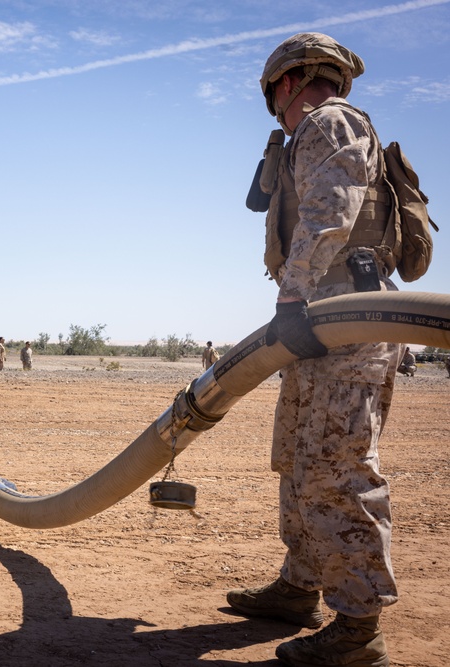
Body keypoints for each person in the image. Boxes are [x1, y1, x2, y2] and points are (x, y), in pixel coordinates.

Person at [226, 34, 405, 667]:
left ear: (289, 81)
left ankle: (359, 627)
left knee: (336, 466)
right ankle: (299, 587)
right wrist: (297, 305)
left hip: (340, 322)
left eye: (273, 91)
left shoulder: (330, 121)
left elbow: (330, 211)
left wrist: (293, 297)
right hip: (316, 324)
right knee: (298, 459)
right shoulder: (313, 131)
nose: (273, 104)